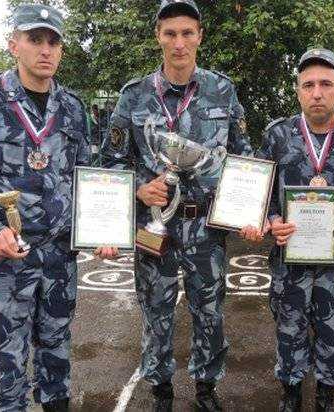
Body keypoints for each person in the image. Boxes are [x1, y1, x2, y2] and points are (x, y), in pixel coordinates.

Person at [0, 4, 117, 411]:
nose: (45, 49)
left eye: (54, 42)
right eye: (35, 39)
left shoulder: (72, 107)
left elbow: (86, 178)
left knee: (57, 356)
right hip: (6, 257)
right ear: (14, 44)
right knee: (9, 365)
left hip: (59, 255)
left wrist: (101, 230)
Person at [105, 1, 253, 410]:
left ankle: (206, 388)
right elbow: (111, 162)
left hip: (206, 226)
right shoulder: (134, 96)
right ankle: (161, 390)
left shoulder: (222, 90)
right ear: (158, 37)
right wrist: (139, 189)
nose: (179, 43)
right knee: (156, 311)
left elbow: (243, 156)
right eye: (170, 33)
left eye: (188, 33)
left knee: (210, 311)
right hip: (155, 228)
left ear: (199, 36)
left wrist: (249, 208)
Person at [258, 48, 334, 411]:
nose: (317, 93)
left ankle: (327, 395)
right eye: (308, 85)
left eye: (326, 84)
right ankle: (291, 393)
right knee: (289, 330)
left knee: (333, 332)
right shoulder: (278, 136)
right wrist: (272, 220)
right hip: (290, 262)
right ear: (298, 91)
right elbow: (260, 194)